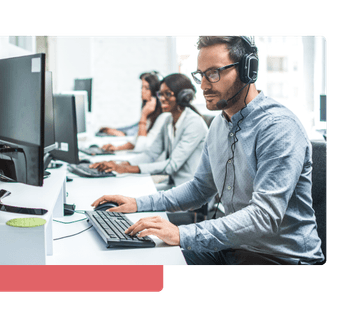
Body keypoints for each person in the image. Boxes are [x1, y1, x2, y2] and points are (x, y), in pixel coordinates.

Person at [91, 35, 324, 266]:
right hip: (233, 249)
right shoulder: (218, 126)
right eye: (200, 75)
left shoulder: (278, 127)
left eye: (213, 73)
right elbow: (199, 189)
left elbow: (264, 217)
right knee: (136, 262)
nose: (202, 86)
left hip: (280, 260)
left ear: (247, 70)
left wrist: (182, 234)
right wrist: (137, 203)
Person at [90, 73, 208, 187]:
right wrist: (118, 165)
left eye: (167, 94)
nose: (162, 99)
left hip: (193, 191)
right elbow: (150, 154)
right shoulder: (168, 120)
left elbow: (171, 166)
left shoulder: (194, 123)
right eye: (160, 94)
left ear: (183, 96)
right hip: (174, 185)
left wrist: (124, 169)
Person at [98, 72, 168, 152]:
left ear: (156, 93)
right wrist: (116, 148)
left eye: (146, 88)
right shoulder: (150, 114)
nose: (142, 91)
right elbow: (135, 141)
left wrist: (143, 116)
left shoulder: (162, 117)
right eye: (141, 87)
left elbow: (141, 147)